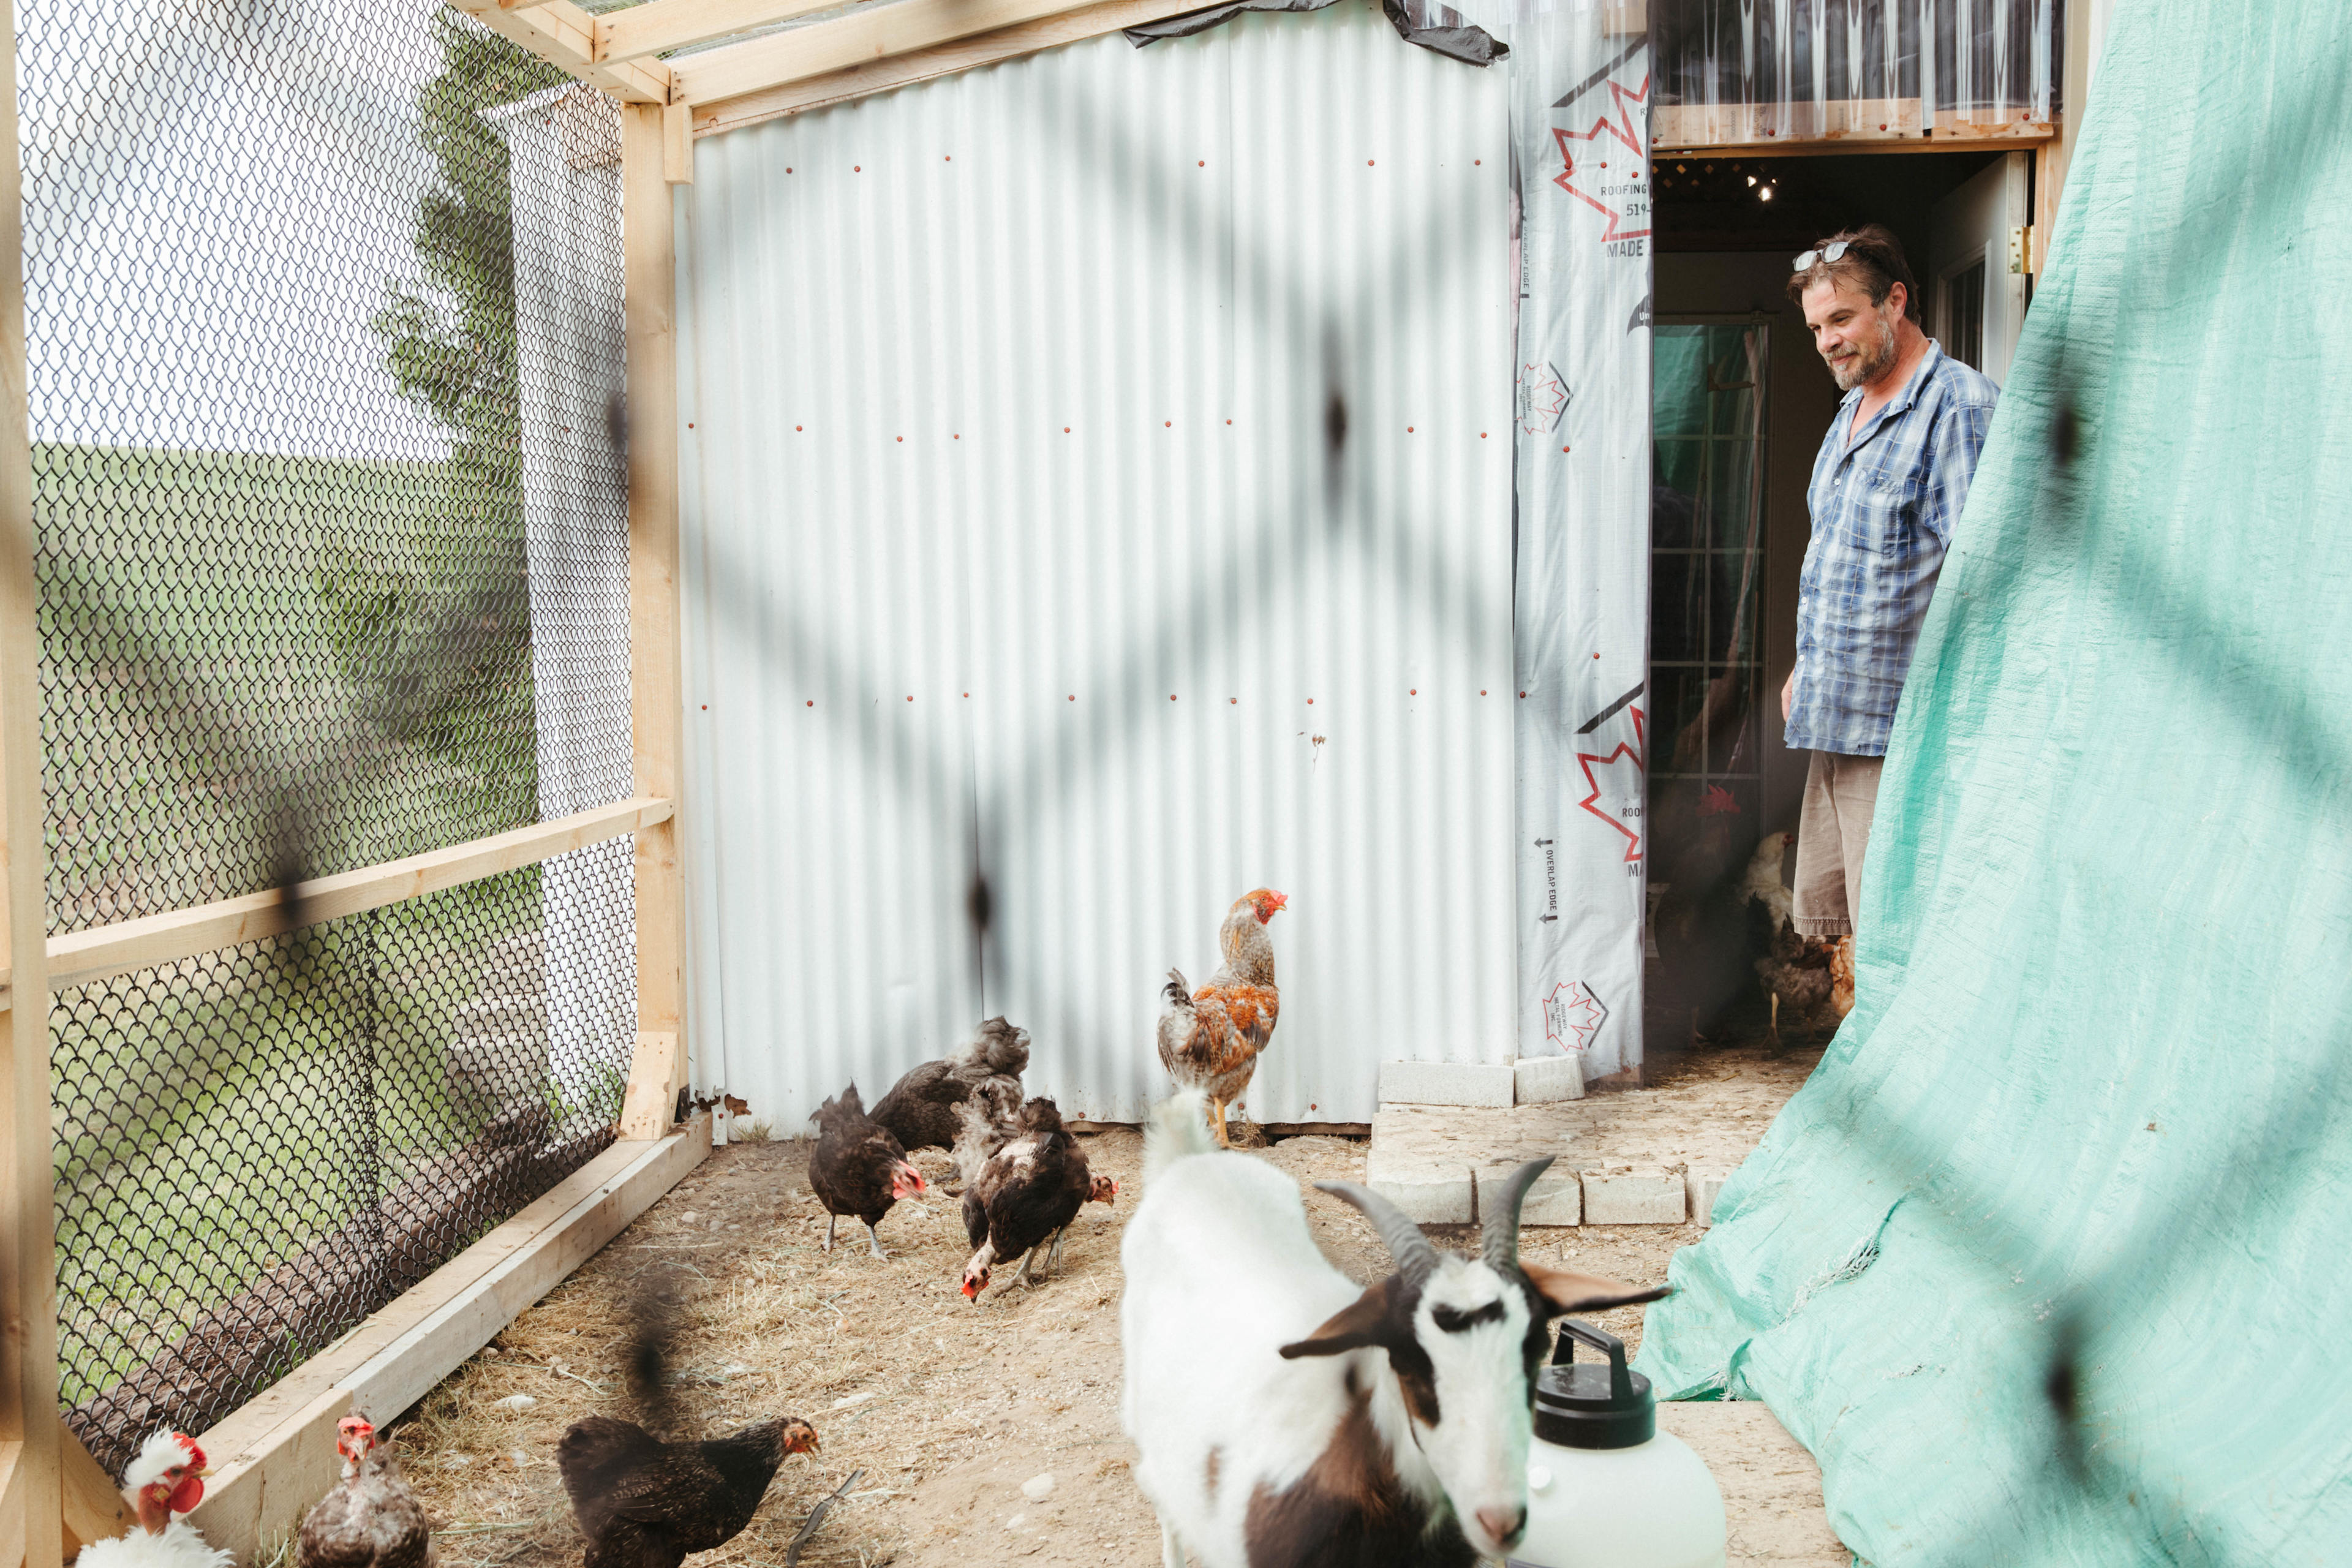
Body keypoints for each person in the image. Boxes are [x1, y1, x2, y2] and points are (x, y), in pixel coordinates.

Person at [1780, 225, 1999, 943]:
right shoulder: (1853, 408)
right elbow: (1842, 558)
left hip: (1901, 740)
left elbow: (1989, 587)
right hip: (1835, 721)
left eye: (1841, 319)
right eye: (1817, 328)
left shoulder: (1960, 408)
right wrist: (1806, 665)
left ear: (1895, 302)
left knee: (1896, 942)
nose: (1827, 342)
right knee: (1841, 945)